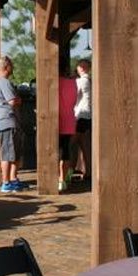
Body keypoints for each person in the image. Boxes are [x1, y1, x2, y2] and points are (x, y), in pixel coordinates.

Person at [0, 56, 27, 193]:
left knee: (14, 153)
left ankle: (13, 179)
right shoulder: (4, 82)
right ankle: (6, 182)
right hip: (6, 122)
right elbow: (12, 101)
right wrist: (19, 99)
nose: (13, 67)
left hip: (3, 123)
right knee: (7, 154)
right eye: (11, 65)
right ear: (6, 67)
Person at [58, 59, 78, 193]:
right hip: (69, 119)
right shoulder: (72, 83)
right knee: (65, 151)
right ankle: (62, 179)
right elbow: (74, 101)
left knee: (53, 151)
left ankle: (54, 178)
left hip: (54, 120)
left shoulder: (53, 82)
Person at [73, 59, 92, 182]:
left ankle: (70, 171)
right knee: (85, 145)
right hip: (87, 115)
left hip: (81, 115)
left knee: (74, 144)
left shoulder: (82, 81)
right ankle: (88, 171)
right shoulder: (90, 80)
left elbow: (74, 95)